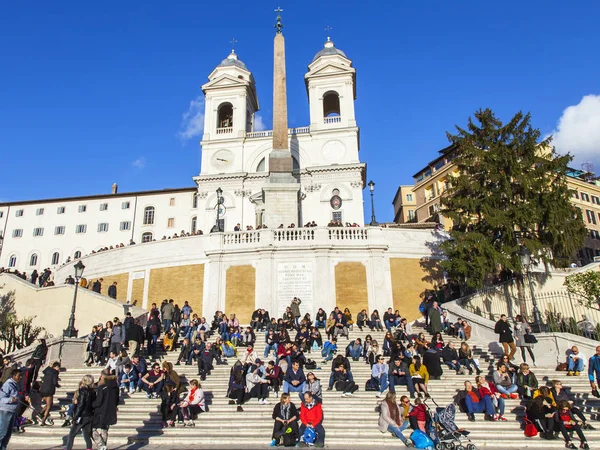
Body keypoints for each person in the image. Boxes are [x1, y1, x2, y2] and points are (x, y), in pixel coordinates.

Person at [65, 375, 95, 450]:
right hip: (89, 415)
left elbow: (81, 405)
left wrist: (75, 416)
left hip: (82, 416)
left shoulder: (83, 391)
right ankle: (89, 448)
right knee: (87, 435)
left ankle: (68, 449)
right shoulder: (92, 392)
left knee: (72, 435)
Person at [92, 369, 119, 450]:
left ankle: (101, 445)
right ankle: (103, 446)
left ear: (102, 376)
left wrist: (92, 404)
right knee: (104, 430)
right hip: (111, 411)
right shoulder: (115, 387)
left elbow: (99, 402)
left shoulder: (102, 387)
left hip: (101, 411)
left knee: (92, 429)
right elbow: (117, 400)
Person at [0, 368, 21, 450]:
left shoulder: (15, 384)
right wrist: (11, 400)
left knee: (8, 433)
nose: (20, 377)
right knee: (2, 432)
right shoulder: (7, 384)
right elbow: (1, 398)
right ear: (14, 375)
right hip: (5, 411)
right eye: (19, 376)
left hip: (12, 411)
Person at [39, 361, 61, 426]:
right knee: (48, 406)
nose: (59, 369)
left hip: (43, 389)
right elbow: (54, 382)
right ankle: (43, 421)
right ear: (56, 367)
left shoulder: (48, 370)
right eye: (58, 367)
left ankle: (40, 413)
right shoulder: (55, 372)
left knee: (50, 403)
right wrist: (58, 385)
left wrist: (49, 366)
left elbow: (44, 371)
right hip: (49, 390)